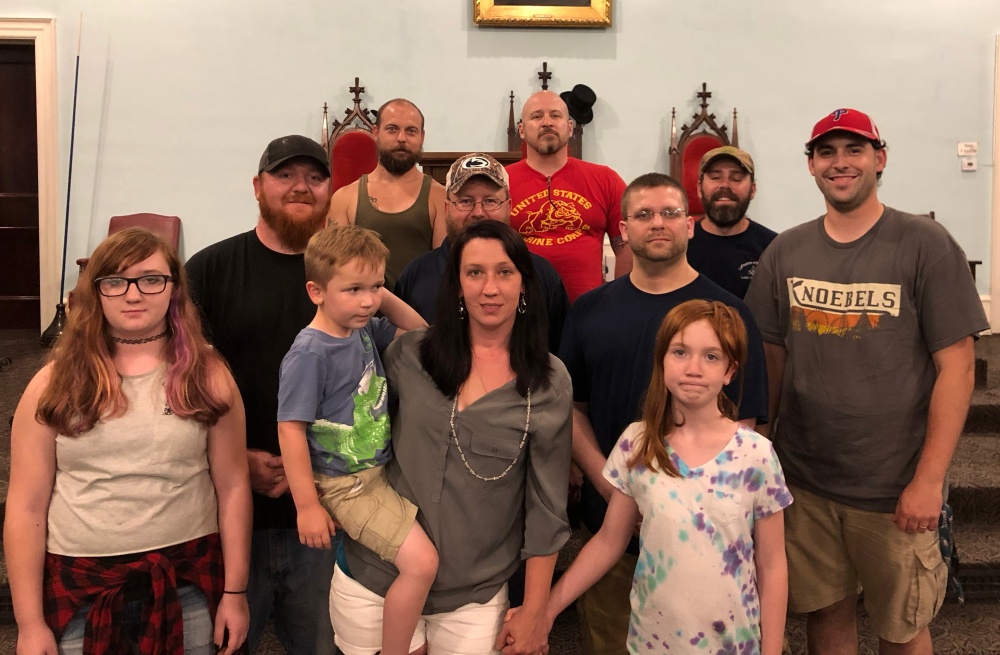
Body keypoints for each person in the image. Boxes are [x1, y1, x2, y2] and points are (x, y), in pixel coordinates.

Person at [745, 108, 989, 655]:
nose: (840, 163)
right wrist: (761, 451)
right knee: (825, 614)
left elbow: (959, 368)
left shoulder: (925, 243)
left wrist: (928, 480)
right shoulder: (786, 251)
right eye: (826, 152)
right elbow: (771, 359)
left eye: (854, 150)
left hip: (894, 484)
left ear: (879, 159)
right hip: (806, 479)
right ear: (811, 165)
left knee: (902, 628)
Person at [329, 220, 572, 655]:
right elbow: (349, 420)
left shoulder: (550, 382)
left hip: (473, 595)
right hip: (375, 577)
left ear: (524, 284)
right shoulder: (410, 354)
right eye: (474, 272)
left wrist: (536, 608)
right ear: (457, 285)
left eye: (505, 272)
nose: (490, 288)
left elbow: (547, 506)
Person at [5, 228, 252, 654]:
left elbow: (233, 486)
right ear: (96, 291)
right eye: (115, 281)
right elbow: (26, 506)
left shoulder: (208, 374)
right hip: (81, 587)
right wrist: (28, 623)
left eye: (150, 279)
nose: (133, 294)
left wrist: (235, 592)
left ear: (173, 289)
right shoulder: (52, 382)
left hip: (187, 580)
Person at [558, 172, 768, 655]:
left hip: (701, 539)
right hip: (609, 525)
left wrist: (678, 502)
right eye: (643, 214)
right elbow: (571, 409)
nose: (658, 223)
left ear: (689, 225)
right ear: (623, 229)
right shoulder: (588, 310)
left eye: (670, 213)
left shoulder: (728, 313)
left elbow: (744, 421)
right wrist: (612, 487)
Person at [546, 299, 791, 655]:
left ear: (730, 371)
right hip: (653, 642)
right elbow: (609, 542)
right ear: (661, 361)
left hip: (733, 644)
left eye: (711, 356)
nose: (693, 368)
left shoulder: (756, 455)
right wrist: (546, 610)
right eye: (680, 352)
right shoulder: (638, 443)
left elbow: (772, 564)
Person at [186, 134, 338, 655]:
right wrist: (232, 460)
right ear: (257, 186)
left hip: (324, 506)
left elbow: (373, 384)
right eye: (285, 175)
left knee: (322, 644)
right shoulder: (209, 270)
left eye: (315, 177)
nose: (301, 187)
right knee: (229, 644)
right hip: (229, 507)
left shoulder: (347, 276)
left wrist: (314, 468)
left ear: (330, 191)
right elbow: (177, 384)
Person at [277, 224, 436, 655]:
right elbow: (289, 428)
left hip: (378, 470)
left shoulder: (361, 329)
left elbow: (420, 331)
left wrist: (375, 291)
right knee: (423, 564)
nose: (367, 301)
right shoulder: (310, 352)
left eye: (375, 287)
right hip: (345, 485)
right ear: (316, 291)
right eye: (353, 289)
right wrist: (306, 505)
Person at [395, 152, 570, 352]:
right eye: (465, 201)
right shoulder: (417, 275)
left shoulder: (540, 273)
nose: (478, 212)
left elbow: (559, 351)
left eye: (490, 201)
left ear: (509, 206)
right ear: (447, 208)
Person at [507, 90, 631, 302]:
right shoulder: (501, 182)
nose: (547, 122)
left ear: (570, 127)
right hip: (521, 310)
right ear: (522, 130)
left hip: (589, 309)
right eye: (536, 116)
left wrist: (619, 300)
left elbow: (627, 245)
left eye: (555, 115)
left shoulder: (605, 179)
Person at [328, 98, 447, 289]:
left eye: (411, 131)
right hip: (363, 305)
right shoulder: (345, 198)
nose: (401, 138)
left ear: (422, 137)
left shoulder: (440, 197)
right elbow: (335, 271)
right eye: (392, 129)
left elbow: (442, 272)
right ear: (376, 132)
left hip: (421, 306)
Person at [686, 146, 778, 299]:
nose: (725, 185)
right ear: (699, 188)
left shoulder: (773, 248)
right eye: (715, 177)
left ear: (753, 190)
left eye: (736, 178)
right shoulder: (680, 246)